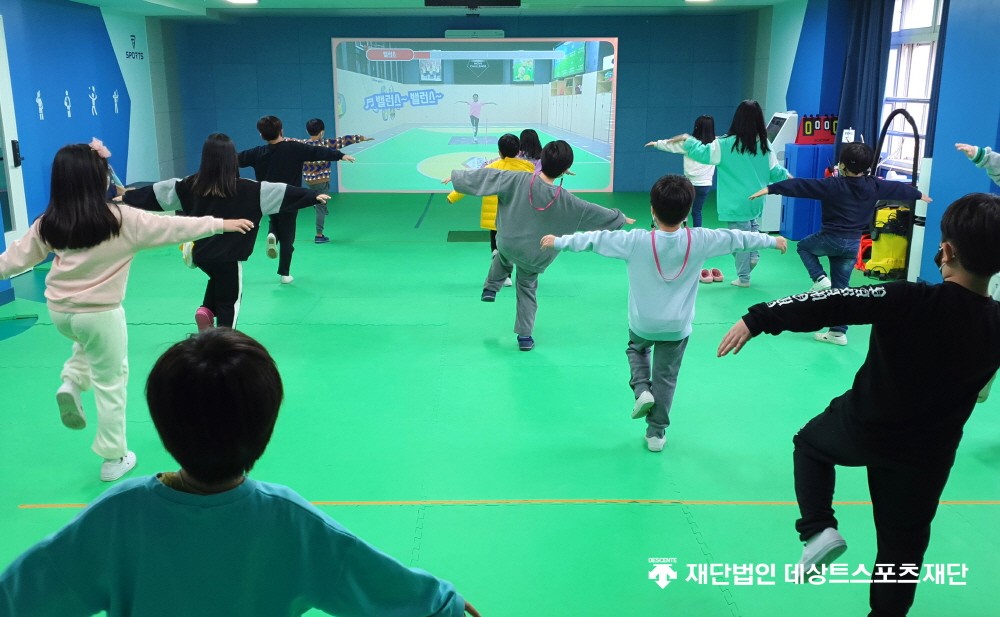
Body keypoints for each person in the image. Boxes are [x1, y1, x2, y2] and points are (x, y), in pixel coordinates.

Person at [0, 329, 482, 617]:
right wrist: (443, 603)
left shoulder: (117, 515)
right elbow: (381, 584)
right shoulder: (291, 522)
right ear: (265, 428)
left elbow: (21, 594)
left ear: (163, 426)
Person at [716, 193, 1000, 617]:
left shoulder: (909, 298)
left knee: (810, 445)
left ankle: (818, 530)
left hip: (865, 426)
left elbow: (833, 301)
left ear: (946, 251)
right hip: (929, 455)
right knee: (904, 547)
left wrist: (759, 318)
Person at [0, 143, 253, 482]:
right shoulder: (122, 220)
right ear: (98, 179)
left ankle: (72, 382)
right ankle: (113, 456)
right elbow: (175, 228)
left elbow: (12, 260)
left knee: (85, 342)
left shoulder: (49, 222)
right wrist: (221, 224)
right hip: (100, 314)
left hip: (60, 312)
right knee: (111, 381)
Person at [541, 175, 786, 451]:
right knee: (666, 378)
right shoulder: (702, 240)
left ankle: (641, 390)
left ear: (652, 210)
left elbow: (594, 240)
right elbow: (737, 239)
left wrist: (558, 241)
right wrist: (771, 241)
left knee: (636, 349)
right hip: (677, 327)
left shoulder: (634, 241)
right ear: (687, 212)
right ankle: (656, 434)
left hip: (643, 323)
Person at [123, 133, 330, 330]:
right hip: (228, 257)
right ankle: (224, 340)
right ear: (233, 159)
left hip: (200, 253)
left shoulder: (188, 185)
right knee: (230, 301)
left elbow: (158, 193)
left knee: (217, 280)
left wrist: (127, 197)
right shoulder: (250, 189)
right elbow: (280, 191)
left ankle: (206, 310)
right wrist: (312, 196)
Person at [444, 140, 634, 351]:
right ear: (565, 170)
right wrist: (619, 218)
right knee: (526, 289)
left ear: (541, 161)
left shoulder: (516, 179)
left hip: (508, 242)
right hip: (534, 255)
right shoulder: (567, 201)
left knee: (503, 256)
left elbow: (489, 176)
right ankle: (525, 337)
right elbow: (592, 212)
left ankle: (490, 288)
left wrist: (457, 178)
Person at [748, 143, 930, 346]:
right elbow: (897, 188)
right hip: (852, 245)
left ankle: (819, 278)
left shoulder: (832, 184)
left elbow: (800, 186)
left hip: (830, 239)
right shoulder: (874, 185)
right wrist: (919, 195)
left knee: (804, 247)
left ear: (842, 165)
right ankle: (837, 332)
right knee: (841, 290)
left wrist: (770, 189)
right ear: (868, 167)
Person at [662, 100, 791, 287]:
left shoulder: (724, 144)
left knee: (739, 241)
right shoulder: (764, 145)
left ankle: (744, 278)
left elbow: (702, 153)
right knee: (752, 229)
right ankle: (754, 255)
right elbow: (775, 171)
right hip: (756, 200)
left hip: (735, 203)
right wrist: (789, 177)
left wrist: (687, 139)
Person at [238, 115, 355, 284]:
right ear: (281, 130)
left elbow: (233, 160)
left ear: (261, 135)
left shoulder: (256, 153)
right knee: (288, 237)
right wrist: (340, 155)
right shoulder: (294, 148)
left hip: (266, 197)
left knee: (274, 219)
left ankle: (272, 234)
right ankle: (284, 274)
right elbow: (318, 151)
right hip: (289, 197)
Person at [448, 133, 536, 287]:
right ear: (518, 151)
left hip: (496, 217)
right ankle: (521, 274)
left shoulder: (492, 168)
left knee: (497, 246)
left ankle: (504, 275)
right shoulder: (528, 168)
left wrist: (452, 196)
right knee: (515, 244)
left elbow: (472, 182)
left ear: (499, 151)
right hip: (518, 215)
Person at [300, 118, 373, 244]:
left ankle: (318, 204)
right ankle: (319, 235)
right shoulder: (327, 144)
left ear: (307, 131)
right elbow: (344, 140)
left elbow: (287, 140)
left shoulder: (302, 145)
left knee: (319, 200)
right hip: (322, 181)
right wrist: (361, 138)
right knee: (321, 206)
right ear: (322, 132)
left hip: (308, 181)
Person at [645, 115, 716, 227]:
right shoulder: (716, 145)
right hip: (704, 185)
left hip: (689, 184)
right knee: (697, 211)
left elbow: (671, 145)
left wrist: (656, 143)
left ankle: (683, 229)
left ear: (696, 127)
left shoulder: (689, 144)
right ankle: (698, 233)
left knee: (683, 207)